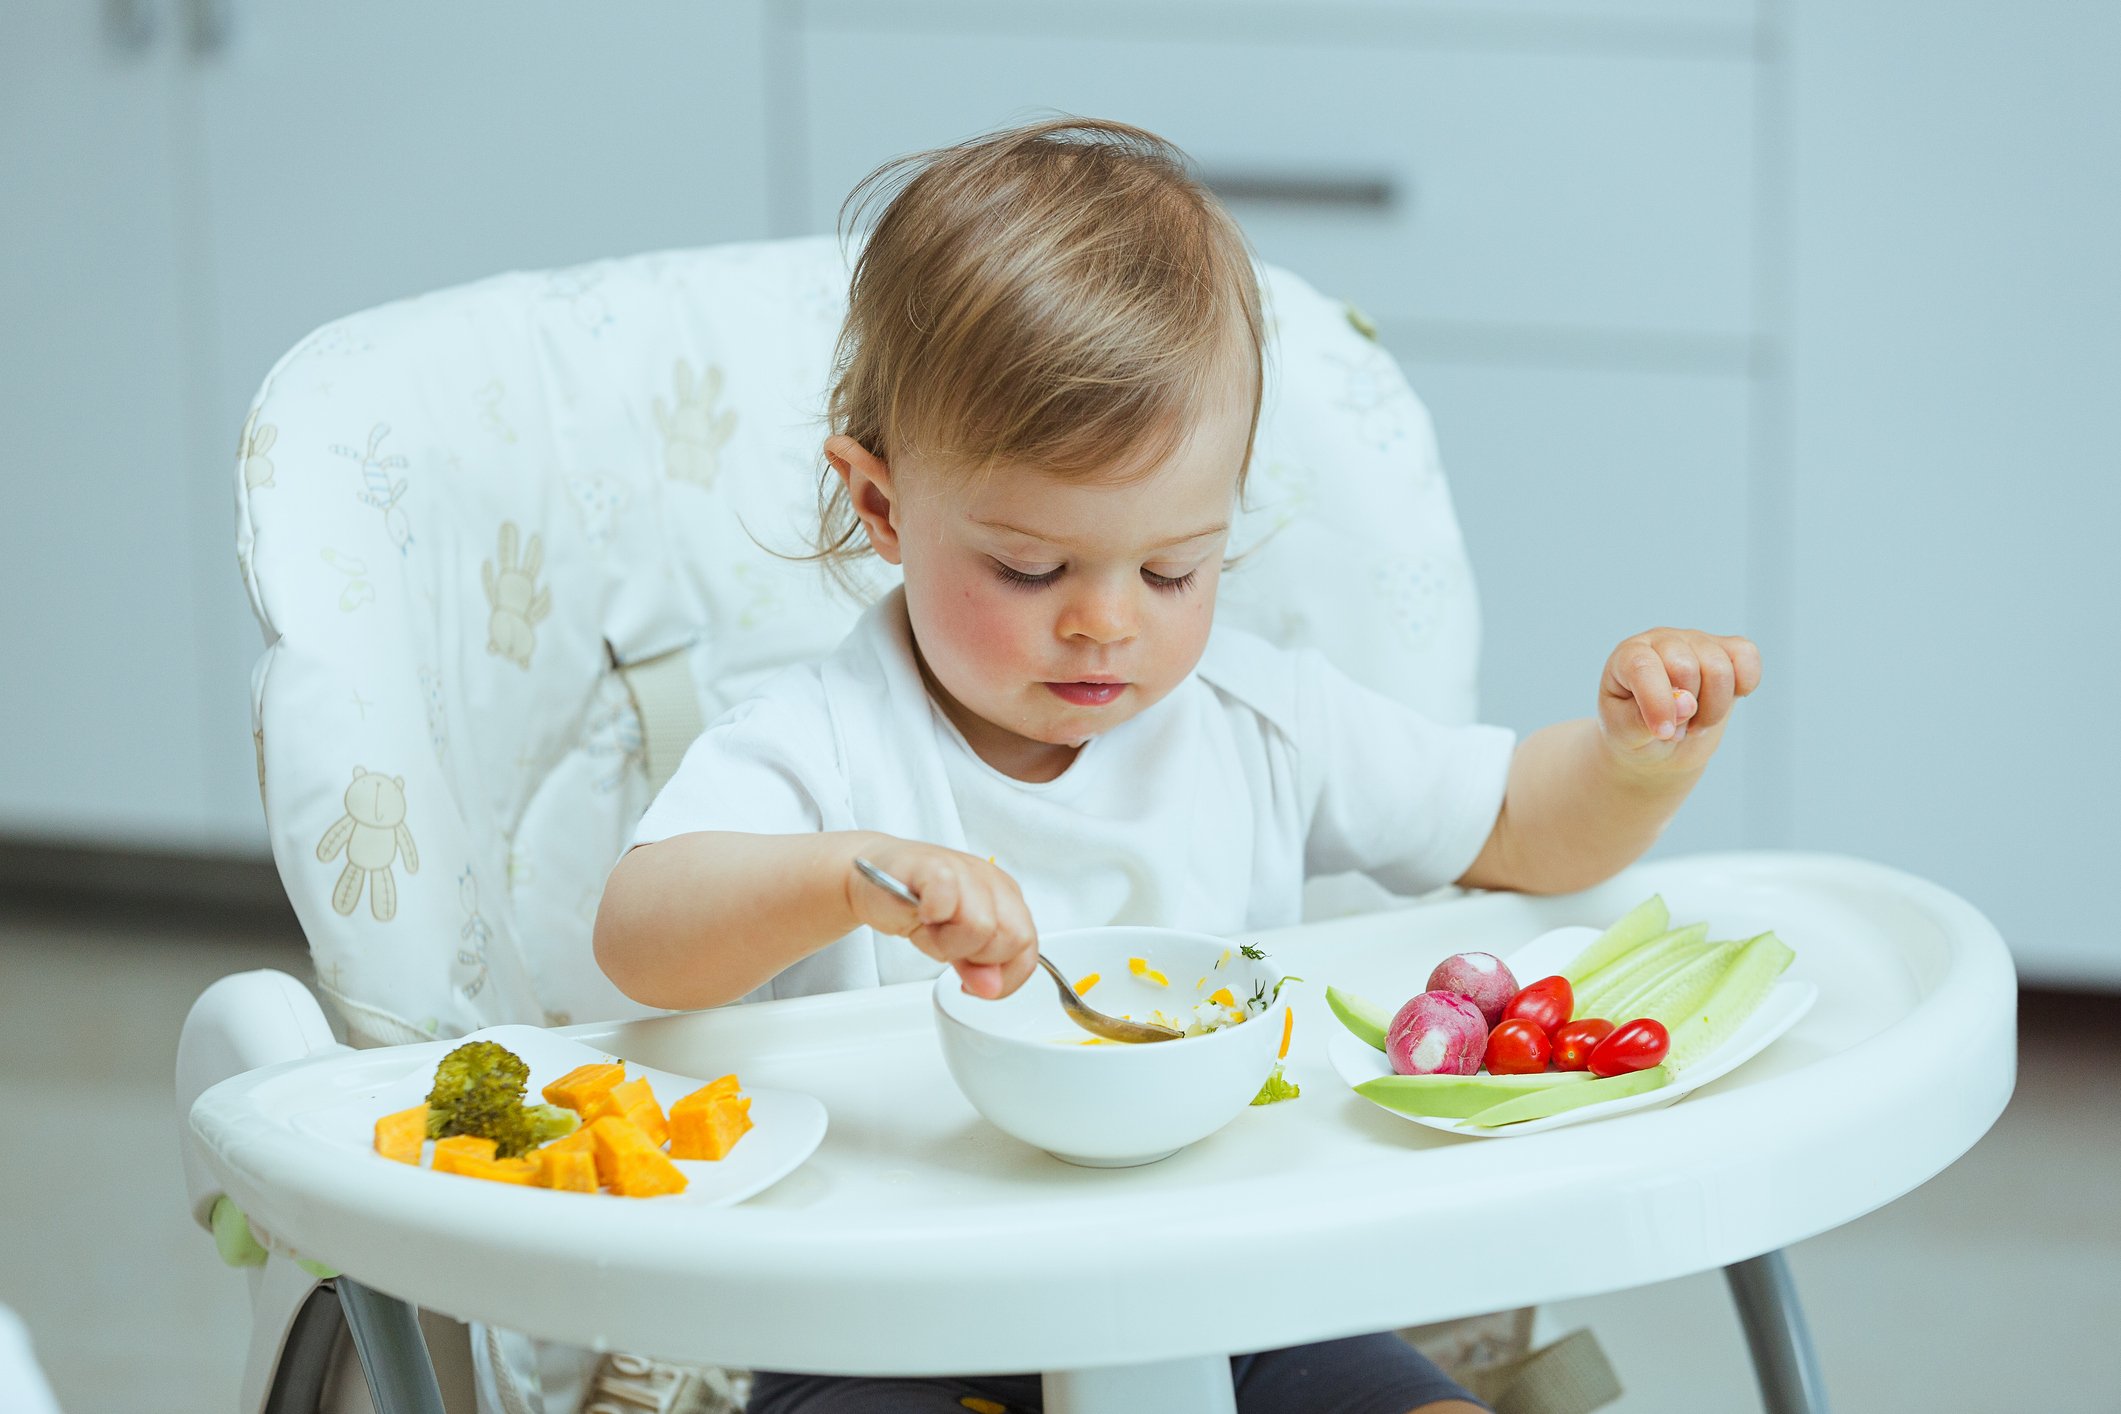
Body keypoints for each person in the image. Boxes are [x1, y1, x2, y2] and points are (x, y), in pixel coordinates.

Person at [595, 115, 1759, 1414]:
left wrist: (1632, 758)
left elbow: (1518, 826)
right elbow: (640, 937)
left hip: (1239, 1297)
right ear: (880, 505)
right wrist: (842, 880)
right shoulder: (823, 744)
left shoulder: (1259, 721)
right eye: (1030, 569)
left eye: (1171, 568)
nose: (1106, 620)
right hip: (884, 1315)